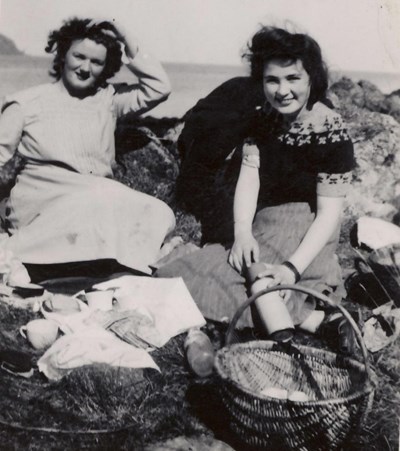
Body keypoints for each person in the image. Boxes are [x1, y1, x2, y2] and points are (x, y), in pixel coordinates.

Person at [157, 26, 355, 351]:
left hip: (308, 229)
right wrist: (242, 233)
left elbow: (330, 214)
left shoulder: (330, 130)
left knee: (266, 282)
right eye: (272, 80)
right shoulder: (262, 120)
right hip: (264, 225)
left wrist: (292, 269)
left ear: (312, 79)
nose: (282, 90)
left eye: (293, 79)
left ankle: (303, 318)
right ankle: (315, 322)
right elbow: (249, 180)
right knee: (179, 276)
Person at [0, 18, 175, 281]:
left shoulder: (109, 99)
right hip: (44, 200)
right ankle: (19, 253)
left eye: (96, 62)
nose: (85, 68)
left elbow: (159, 88)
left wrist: (124, 33)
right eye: (79, 56)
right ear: (62, 55)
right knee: (103, 197)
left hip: (98, 198)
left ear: (106, 68)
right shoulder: (25, 104)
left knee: (160, 212)